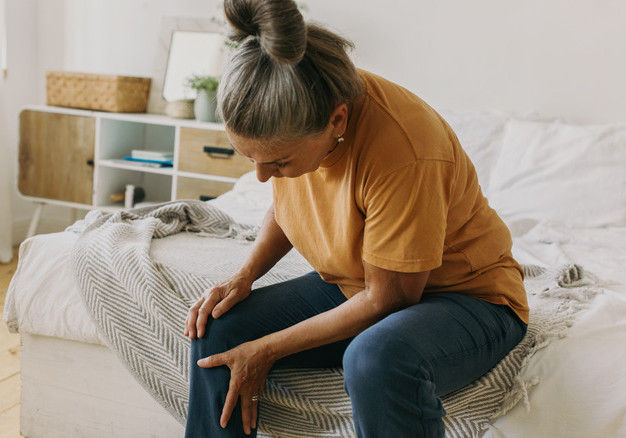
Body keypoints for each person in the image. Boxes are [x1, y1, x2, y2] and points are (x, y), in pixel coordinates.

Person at [183, 0, 529, 436]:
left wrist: (266, 350)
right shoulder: (297, 96)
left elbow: (390, 299)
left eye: (279, 162)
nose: (262, 176)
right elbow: (290, 203)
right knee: (218, 329)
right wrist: (245, 274)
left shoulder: (406, 151)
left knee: (375, 359)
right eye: (250, 158)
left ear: (337, 121)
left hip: (466, 299)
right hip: (359, 283)